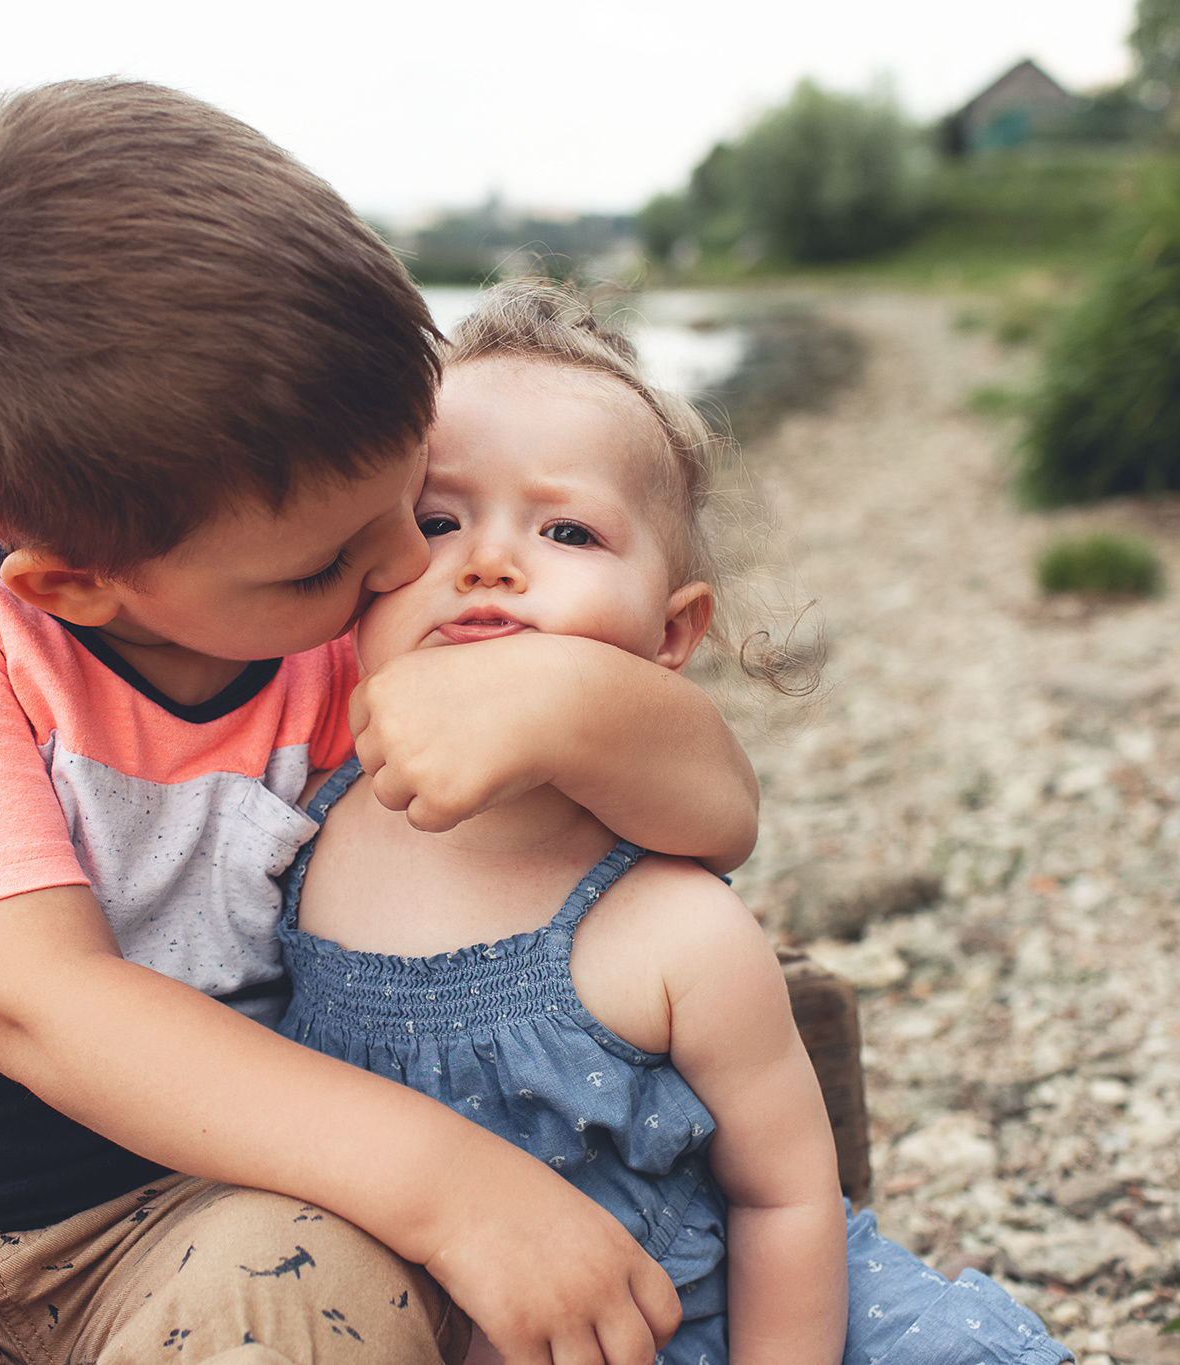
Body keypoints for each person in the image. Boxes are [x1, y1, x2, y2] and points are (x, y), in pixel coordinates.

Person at [0, 83, 763, 1365]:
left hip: (203, 1215)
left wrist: (575, 699)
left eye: (410, 503)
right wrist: (453, 1186)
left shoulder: (337, 620)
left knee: (317, 1291)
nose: (395, 567)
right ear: (76, 583)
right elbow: (41, 1003)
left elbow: (711, 822)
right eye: (329, 552)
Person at [274, 285, 1074, 1365]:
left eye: (566, 530)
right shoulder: (297, 822)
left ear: (669, 635)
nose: (488, 562)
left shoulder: (668, 926)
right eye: (433, 520)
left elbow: (785, 1200)